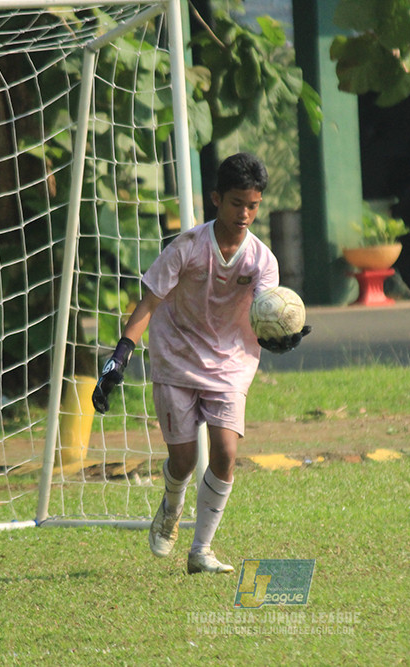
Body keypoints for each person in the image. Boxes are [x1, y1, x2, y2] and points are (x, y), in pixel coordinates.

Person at [92, 153, 310, 574]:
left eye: (253, 205)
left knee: (225, 452)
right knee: (184, 460)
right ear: (216, 199)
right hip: (175, 356)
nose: (244, 214)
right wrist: (119, 357)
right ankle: (171, 507)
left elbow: (268, 311)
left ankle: (201, 550)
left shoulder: (262, 260)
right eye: (236, 203)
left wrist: (282, 335)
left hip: (230, 362)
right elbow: (148, 304)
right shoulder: (187, 247)